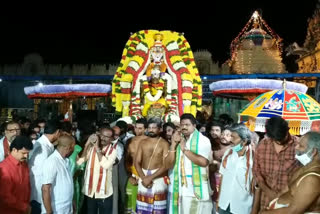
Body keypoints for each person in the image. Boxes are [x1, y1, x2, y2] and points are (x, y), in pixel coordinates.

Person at [260, 131, 320, 213]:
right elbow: (284, 191)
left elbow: (294, 211)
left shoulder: (312, 179)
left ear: (313, 152)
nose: (296, 147)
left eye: (301, 146)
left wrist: (265, 213)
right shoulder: (302, 168)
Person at [166, 113, 212, 214]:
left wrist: (184, 150)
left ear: (194, 126)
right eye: (182, 125)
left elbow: (204, 162)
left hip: (193, 189)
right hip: (177, 188)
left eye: (187, 125)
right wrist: (173, 144)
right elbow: (168, 165)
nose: (184, 127)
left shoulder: (203, 141)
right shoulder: (178, 139)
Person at [253, 117, 301, 212]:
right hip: (266, 202)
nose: (279, 142)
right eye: (276, 139)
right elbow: (256, 171)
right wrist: (268, 192)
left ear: (288, 129)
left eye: (282, 137)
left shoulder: (299, 146)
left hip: (288, 204)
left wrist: (281, 196)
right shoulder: (263, 145)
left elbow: (303, 175)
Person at [217, 124, 255, 214]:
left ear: (244, 141)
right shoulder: (228, 153)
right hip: (224, 204)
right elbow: (222, 177)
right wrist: (219, 199)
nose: (231, 140)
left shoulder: (254, 159)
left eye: (233, 137)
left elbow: (256, 187)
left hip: (242, 208)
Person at [78, 127, 117, 214]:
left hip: (104, 193)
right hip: (90, 191)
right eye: (101, 135)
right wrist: (87, 144)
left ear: (111, 139)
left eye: (106, 137)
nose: (103, 138)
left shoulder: (113, 151)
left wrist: (97, 148)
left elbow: (105, 165)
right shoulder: (91, 147)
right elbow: (80, 161)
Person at [134, 117, 170, 213]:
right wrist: (143, 177)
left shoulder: (164, 144)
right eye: (149, 128)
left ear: (160, 129)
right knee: (143, 208)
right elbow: (136, 162)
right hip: (143, 176)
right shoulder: (142, 143)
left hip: (158, 178)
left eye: (154, 128)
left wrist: (150, 178)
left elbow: (166, 165)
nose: (151, 130)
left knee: (158, 209)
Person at [29, 121, 61, 214]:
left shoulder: (46, 145)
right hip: (39, 195)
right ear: (57, 132)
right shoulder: (42, 148)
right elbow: (40, 174)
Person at [41, 135, 75, 214]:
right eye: (73, 147)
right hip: (56, 209)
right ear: (67, 148)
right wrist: (49, 211)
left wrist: (72, 202)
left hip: (66, 208)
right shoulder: (52, 161)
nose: (73, 150)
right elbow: (45, 189)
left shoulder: (65, 161)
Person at [0, 136, 33, 214]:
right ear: (14, 150)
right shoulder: (4, 168)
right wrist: (24, 207)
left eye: (28, 153)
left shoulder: (24, 164)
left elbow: (27, 187)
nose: (26, 156)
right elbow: (5, 196)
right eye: (24, 153)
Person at [124, 126, 148, 213]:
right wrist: (129, 176)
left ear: (146, 129)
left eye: (140, 128)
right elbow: (126, 160)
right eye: (136, 128)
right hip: (132, 177)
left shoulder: (151, 142)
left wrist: (145, 178)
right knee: (129, 203)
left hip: (146, 178)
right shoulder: (130, 141)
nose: (137, 130)